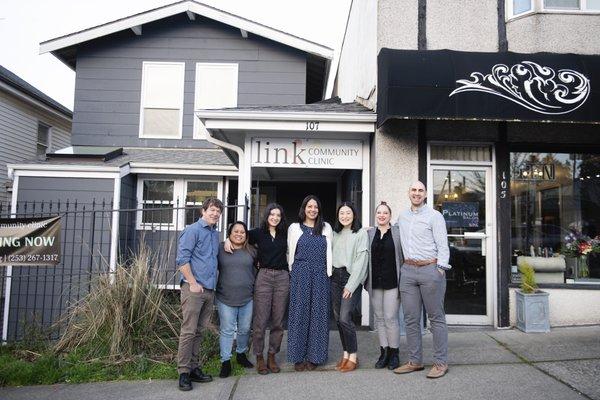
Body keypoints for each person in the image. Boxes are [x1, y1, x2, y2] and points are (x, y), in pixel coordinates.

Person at [394, 181, 451, 379]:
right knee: (410, 319)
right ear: (408, 193)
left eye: (420, 190)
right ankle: (415, 361)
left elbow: (443, 245)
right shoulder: (402, 216)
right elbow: (389, 231)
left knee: (436, 318)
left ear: (425, 194)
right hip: (408, 272)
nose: (416, 193)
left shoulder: (435, 216)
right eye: (413, 190)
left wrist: (440, 270)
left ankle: (441, 363)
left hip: (430, 270)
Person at [224, 203, 289, 375]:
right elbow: (240, 236)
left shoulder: (285, 233)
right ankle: (259, 356)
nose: (275, 217)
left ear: (281, 218)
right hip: (264, 278)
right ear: (266, 215)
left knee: (278, 321)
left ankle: (272, 355)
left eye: (278, 215)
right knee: (260, 321)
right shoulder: (258, 233)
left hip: (283, 277)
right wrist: (226, 241)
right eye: (272, 214)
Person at [175, 197, 223, 391]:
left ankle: (194, 368)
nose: (215, 214)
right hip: (193, 289)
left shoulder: (214, 234)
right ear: (203, 211)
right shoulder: (192, 230)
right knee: (188, 331)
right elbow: (182, 260)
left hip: (209, 290)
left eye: (218, 212)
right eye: (212, 210)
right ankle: (183, 373)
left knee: (199, 332)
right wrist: (193, 283)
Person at [287, 194, 333, 371]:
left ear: (319, 210)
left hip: (321, 274)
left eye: (315, 207)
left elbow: (332, 249)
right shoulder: (294, 228)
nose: (312, 210)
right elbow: (289, 251)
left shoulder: (326, 228)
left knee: (319, 315)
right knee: (299, 314)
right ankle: (297, 356)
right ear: (304, 209)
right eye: (309, 206)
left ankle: (315, 356)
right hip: (300, 274)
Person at [216, 221, 257, 378]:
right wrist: (225, 241)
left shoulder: (252, 250)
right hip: (225, 297)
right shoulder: (221, 248)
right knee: (227, 330)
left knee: (245, 328)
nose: (239, 234)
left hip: (247, 297)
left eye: (242, 232)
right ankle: (225, 361)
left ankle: (241, 355)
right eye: (236, 231)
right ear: (229, 233)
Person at [366, 201, 403, 370]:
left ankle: (395, 353)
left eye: (385, 213)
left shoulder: (397, 232)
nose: (381, 215)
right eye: (379, 213)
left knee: (390, 318)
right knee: (380, 319)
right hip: (375, 283)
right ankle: (384, 352)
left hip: (392, 281)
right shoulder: (369, 233)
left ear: (390, 215)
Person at [331, 202, 368, 373]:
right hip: (335, 278)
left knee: (345, 318)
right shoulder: (335, 234)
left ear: (354, 214)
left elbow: (361, 262)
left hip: (350, 277)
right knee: (338, 319)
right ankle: (345, 354)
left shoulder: (360, 234)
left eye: (348, 213)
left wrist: (351, 285)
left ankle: (353, 356)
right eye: (341, 213)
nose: (345, 216)